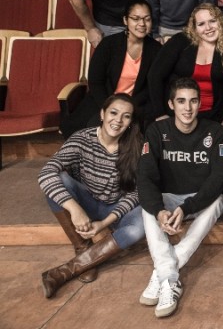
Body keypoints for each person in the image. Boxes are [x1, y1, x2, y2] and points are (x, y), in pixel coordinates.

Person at [137, 79, 223, 318]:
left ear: (200, 104)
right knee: (148, 206)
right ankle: (169, 278)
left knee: (219, 200)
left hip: (199, 199)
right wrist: (159, 210)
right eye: (181, 101)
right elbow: (145, 177)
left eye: (193, 101)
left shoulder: (215, 132)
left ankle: (163, 274)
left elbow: (218, 180)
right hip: (169, 198)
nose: (187, 108)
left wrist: (188, 207)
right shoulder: (157, 131)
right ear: (171, 104)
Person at [38, 94, 144, 298]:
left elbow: (137, 193)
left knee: (140, 227)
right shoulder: (82, 139)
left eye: (126, 116)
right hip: (86, 204)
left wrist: (104, 223)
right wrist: (75, 209)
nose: (118, 121)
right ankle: (82, 248)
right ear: (103, 114)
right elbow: (46, 171)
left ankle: (64, 271)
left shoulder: (136, 147)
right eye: (113, 113)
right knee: (58, 179)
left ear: (131, 122)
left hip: (116, 210)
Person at [61, 0, 161, 137]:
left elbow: (154, 87)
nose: (142, 24)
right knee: (90, 128)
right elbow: (96, 81)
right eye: (135, 19)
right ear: (125, 20)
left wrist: (129, 107)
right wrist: (109, 106)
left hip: (136, 105)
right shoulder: (109, 44)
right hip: (104, 99)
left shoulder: (156, 50)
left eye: (147, 19)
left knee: (141, 133)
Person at [147, 3, 223, 136]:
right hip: (178, 114)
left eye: (212, 21)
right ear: (194, 28)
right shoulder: (180, 41)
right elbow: (155, 75)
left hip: (215, 115)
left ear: (221, 21)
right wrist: (160, 114)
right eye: (201, 24)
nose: (208, 28)